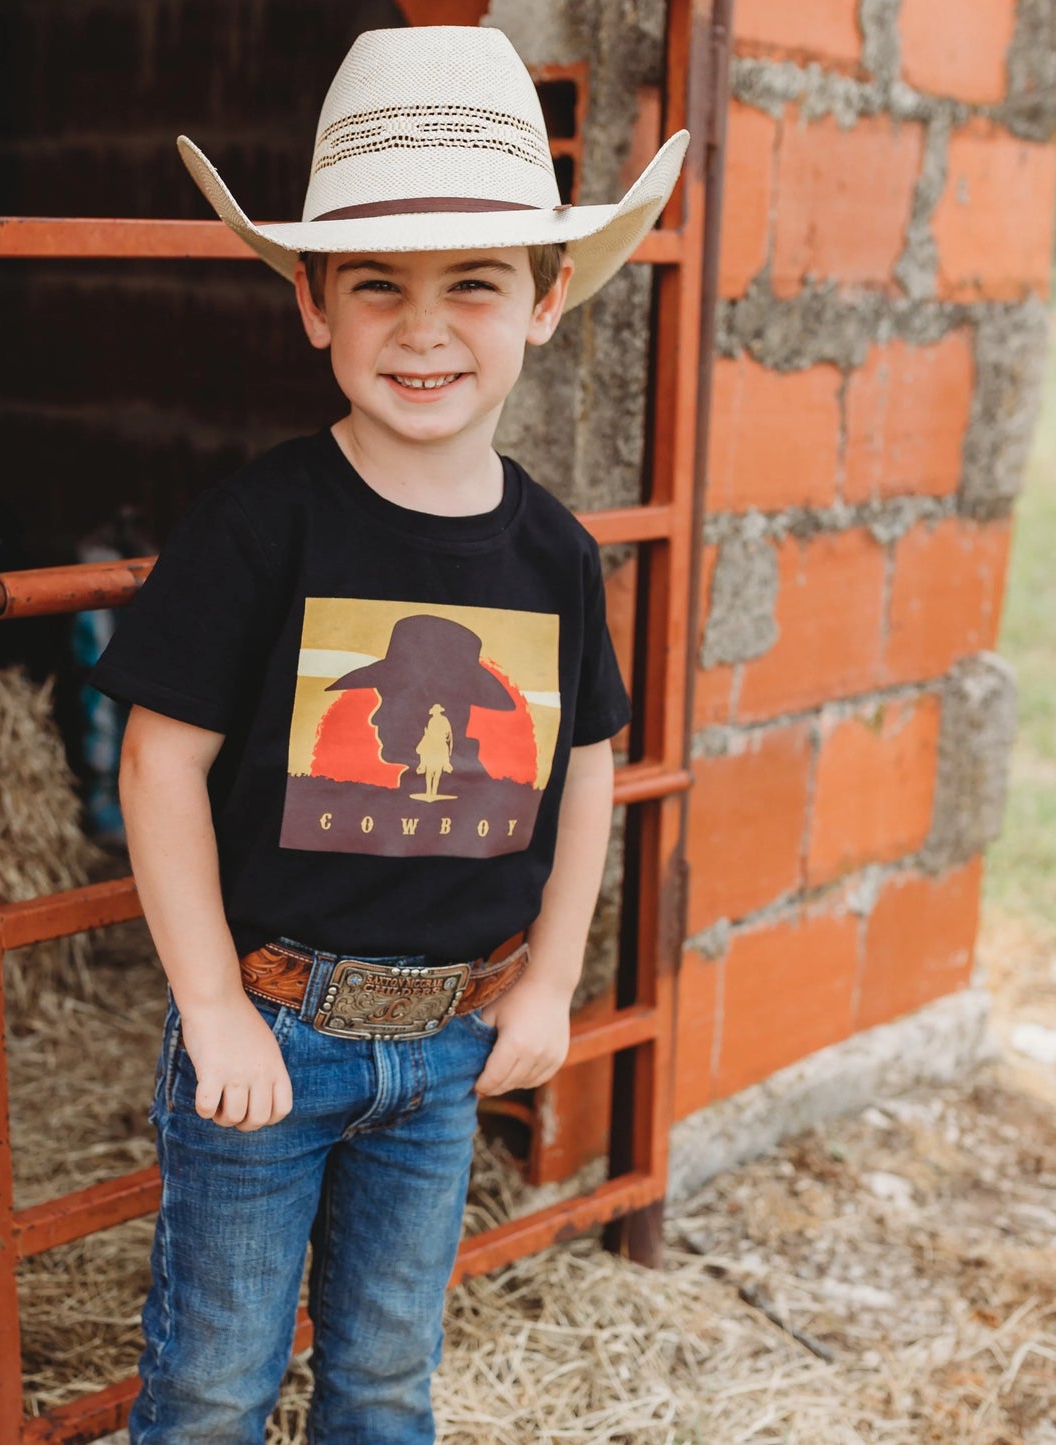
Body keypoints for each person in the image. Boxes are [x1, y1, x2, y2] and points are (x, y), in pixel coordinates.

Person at [86, 24, 688, 1444]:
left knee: (381, 1377)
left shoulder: (553, 555)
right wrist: (212, 1006)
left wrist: (550, 984)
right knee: (214, 1385)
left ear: (546, 300)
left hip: (452, 1042)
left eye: (474, 282)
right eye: (377, 285)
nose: (424, 328)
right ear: (314, 303)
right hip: (273, 1027)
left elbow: (582, 768)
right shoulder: (261, 526)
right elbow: (158, 761)